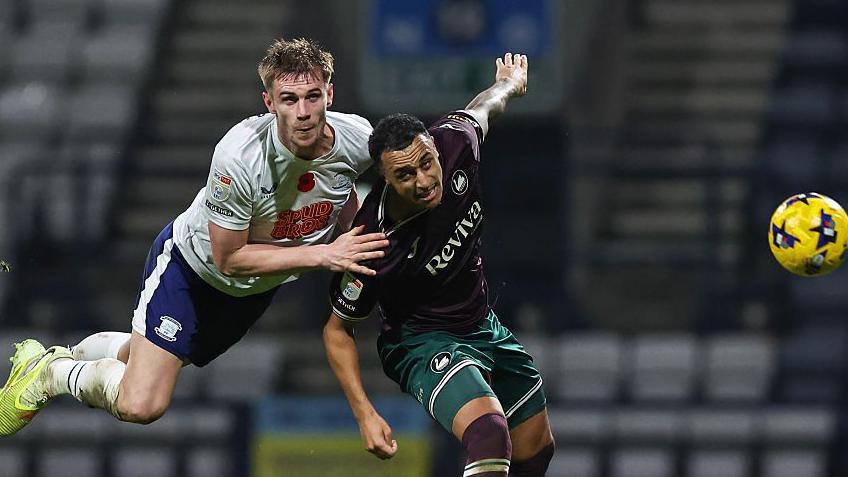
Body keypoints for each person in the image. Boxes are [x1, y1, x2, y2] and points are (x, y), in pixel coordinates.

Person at [0, 37, 389, 436]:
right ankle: (53, 374)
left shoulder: (358, 138)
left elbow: (336, 187)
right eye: (289, 99)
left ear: (330, 94)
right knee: (142, 403)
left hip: (254, 290)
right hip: (193, 270)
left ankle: (59, 358)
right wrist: (325, 254)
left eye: (312, 97)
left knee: (143, 357)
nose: (304, 113)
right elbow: (229, 258)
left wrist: (360, 235)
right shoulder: (239, 157)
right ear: (269, 103)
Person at [323, 53, 555, 476]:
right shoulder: (371, 243)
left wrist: (509, 83)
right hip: (420, 341)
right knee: (489, 432)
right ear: (385, 179)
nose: (425, 180)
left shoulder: (456, 143)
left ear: (433, 147)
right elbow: (337, 332)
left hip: (481, 323)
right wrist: (364, 414)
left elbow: (485, 106)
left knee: (535, 447)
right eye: (406, 175)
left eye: (426, 162)